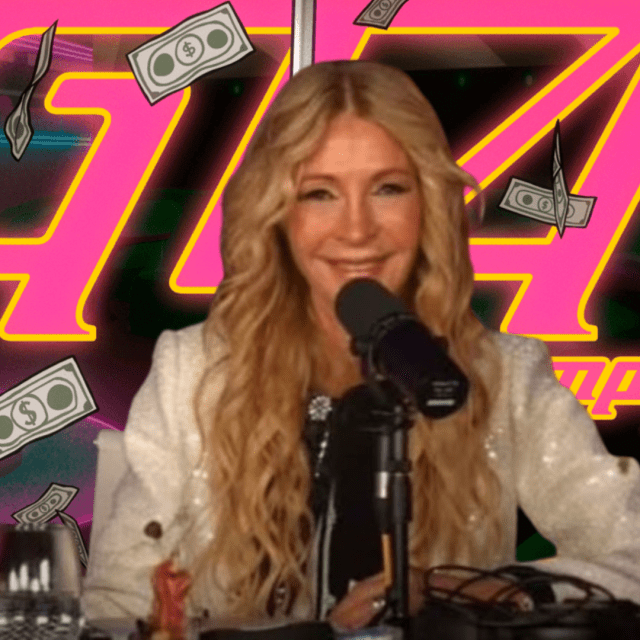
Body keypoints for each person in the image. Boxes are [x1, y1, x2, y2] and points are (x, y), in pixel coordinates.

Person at [82, 60, 640, 630]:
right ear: (277, 214)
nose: (356, 229)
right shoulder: (193, 369)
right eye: (319, 193)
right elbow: (116, 605)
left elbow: (633, 555)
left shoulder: (503, 375)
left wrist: (478, 591)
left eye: (388, 189)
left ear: (429, 204)